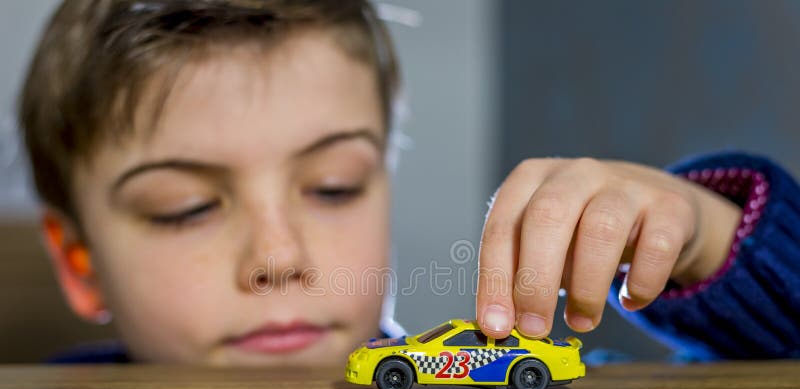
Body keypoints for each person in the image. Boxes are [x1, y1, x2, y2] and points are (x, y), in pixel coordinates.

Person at [19, 0, 798, 365]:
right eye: (183, 208)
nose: (279, 256)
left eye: (333, 186)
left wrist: (710, 237)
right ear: (81, 264)